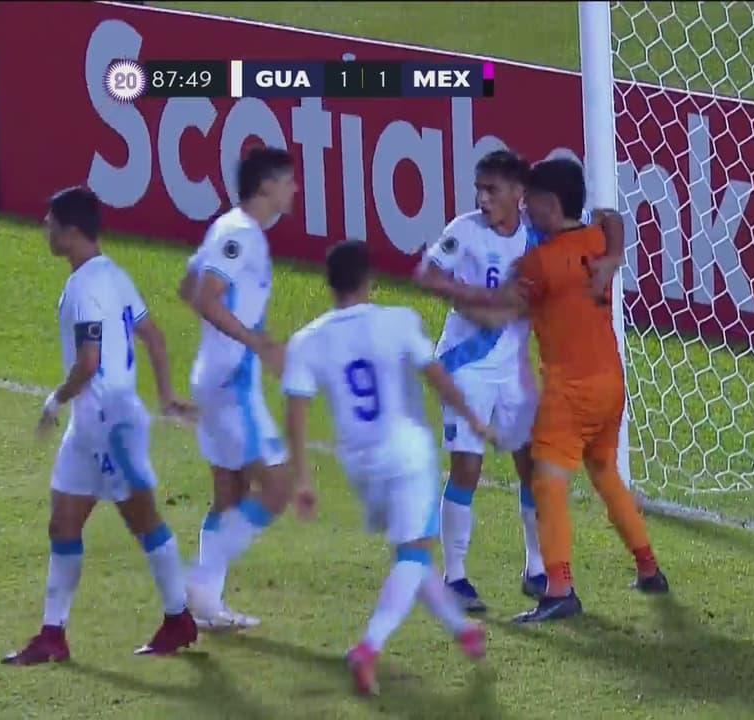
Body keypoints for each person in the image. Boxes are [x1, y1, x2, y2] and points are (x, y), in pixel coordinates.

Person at [413, 150, 627, 611]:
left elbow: (608, 218)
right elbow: (427, 274)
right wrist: (472, 298)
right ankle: (455, 578)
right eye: (479, 189)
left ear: (518, 193)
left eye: (492, 190)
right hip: (466, 366)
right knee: (467, 468)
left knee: (532, 466)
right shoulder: (465, 231)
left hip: (513, 370)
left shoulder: (537, 231)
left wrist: (613, 257)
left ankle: (536, 569)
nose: (482, 199)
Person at [282, 240, 489, 696]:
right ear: (369, 280)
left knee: (411, 554)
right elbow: (437, 377)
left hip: (359, 464)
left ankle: (463, 631)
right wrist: (473, 418)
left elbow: (295, 415)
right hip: (406, 453)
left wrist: (303, 480)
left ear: (330, 284)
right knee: (413, 554)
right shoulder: (397, 321)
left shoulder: (307, 341)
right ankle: (369, 647)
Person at [3, 186, 198, 665]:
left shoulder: (85, 286)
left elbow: (89, 362)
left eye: (50, 222)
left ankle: (179, 618)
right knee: (63, 523)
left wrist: (55, 399)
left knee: (143, 521)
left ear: (71, 231)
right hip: (89, 425)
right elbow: (153, 335)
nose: (44, 228)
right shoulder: (114, 275)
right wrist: (166, 394)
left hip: (110, 424)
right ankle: (53, 635)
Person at [473, 158, 669, 624]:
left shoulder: (539, 263)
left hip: (570, 392)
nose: (524, 208)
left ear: (550, 204)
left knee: (547, 484)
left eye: (531, 201)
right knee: (605, 473)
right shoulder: (597, 239)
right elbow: (612, 217)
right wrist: (614, 256)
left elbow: (498, 312)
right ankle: (648, 568)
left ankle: (559, 589)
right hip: (610, 383)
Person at [177, 146, 296, 631]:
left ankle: (207, 605)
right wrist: (256, 342)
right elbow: (205, 298)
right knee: (277, 488)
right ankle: (197, 582)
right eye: (287, 181)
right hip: (233, 383)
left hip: (215, 375)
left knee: (229, 491)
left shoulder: (226, 228)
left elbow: (188, 286)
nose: (294, 189)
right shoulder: (242, 234)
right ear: (266, 186)